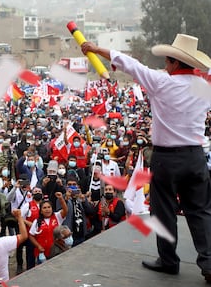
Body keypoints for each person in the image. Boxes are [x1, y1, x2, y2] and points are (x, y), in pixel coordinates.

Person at [81, 34, 211, 282]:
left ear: (173, 62)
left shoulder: (161, 81)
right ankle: (209, 262)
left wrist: (95, 48)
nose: (164, 66)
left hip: (166, 158)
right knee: (201, 211)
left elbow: (130, 63)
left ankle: (169, 260)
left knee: (164, 212)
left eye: (167, 62)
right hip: (195, 156)